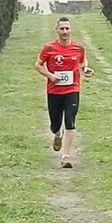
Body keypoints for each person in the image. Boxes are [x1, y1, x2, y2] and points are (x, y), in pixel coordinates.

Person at [35, 16, 94, 168]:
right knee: (55, 124)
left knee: (70, 121)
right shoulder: (48, 48)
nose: (65, 31)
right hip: (54, 91)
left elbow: (82, 60)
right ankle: (57, 134)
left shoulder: (78, 47)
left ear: (71, 30)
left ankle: (66, 156)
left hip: (72, 90)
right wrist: (50, 75)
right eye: (62, 29)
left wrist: (85, 68)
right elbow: (38, 65)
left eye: (67, 28)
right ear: (57, 30)